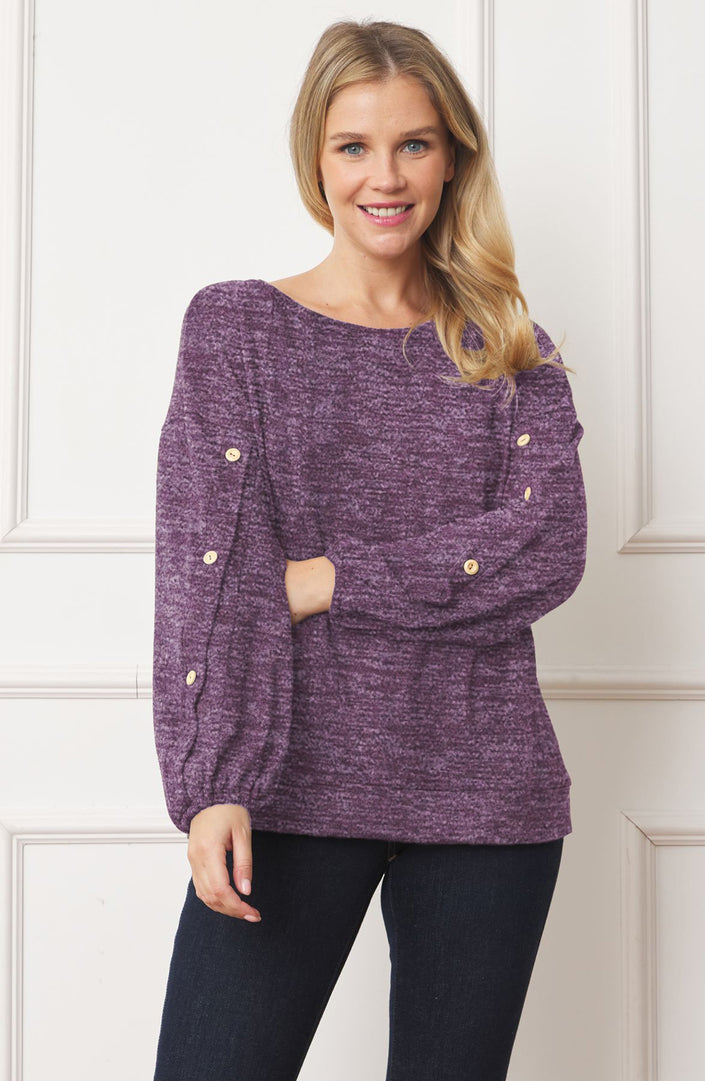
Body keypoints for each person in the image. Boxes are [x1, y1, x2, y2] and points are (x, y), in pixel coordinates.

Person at [151, 17, 587, 1081]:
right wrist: (211, 780)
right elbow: (205, 571)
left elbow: (547, 548)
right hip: (286, 785)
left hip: (487, 799)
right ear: (316, 158)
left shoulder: (510, 352)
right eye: (354, 146)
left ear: (452, 160)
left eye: (413, 144)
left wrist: (329, 581)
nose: (384, 177)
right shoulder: (238, 330)